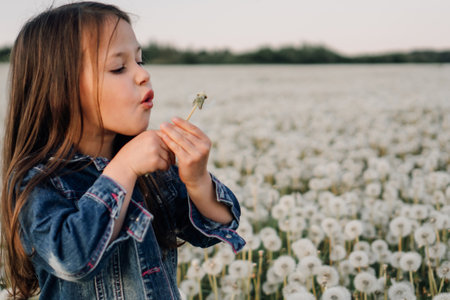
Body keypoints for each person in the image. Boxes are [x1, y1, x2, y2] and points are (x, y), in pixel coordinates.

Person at [0, 2, 245, 299]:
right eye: (118, 67)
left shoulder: (153, 172)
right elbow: (72, 258)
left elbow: (214, 228)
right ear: (59, 91)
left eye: (140, 61)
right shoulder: (38, 180)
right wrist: (123, 170)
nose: (143, 75)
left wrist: (197, 180)